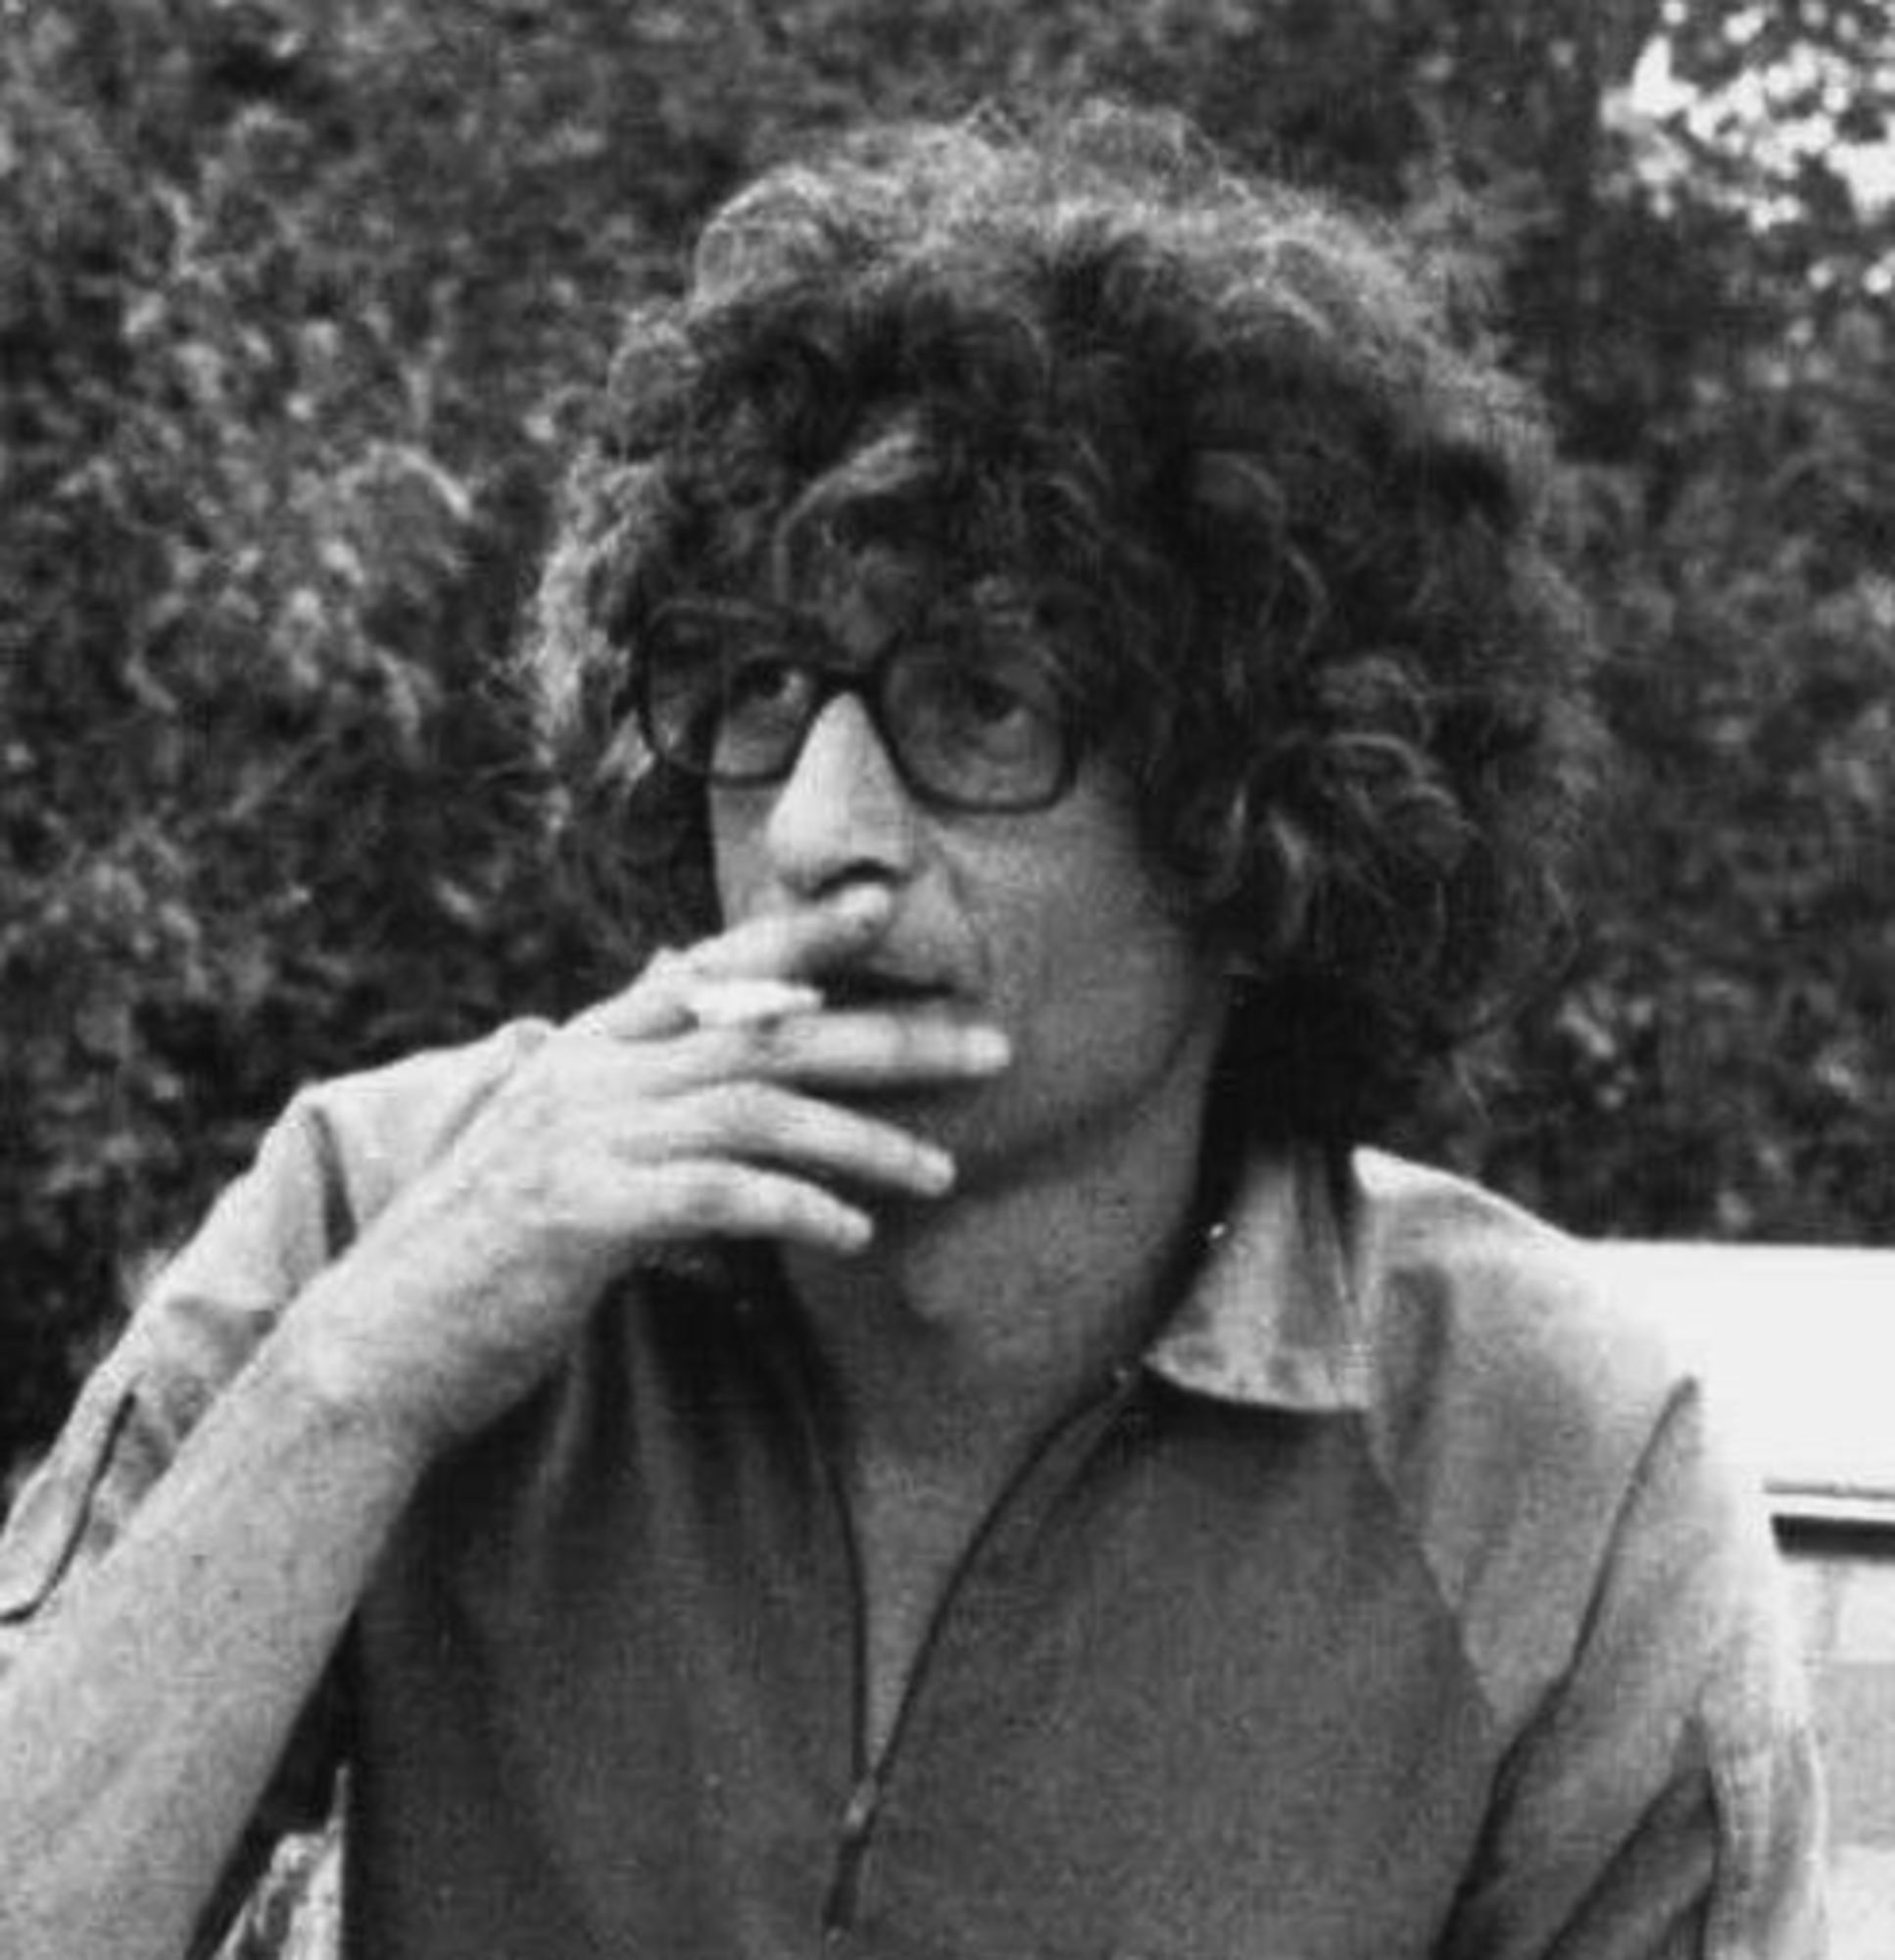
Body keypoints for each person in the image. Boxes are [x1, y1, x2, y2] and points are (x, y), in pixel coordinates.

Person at [0, 102, 1824, 1959]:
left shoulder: (1555, 1477)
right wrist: (351, 1386)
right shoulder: (389, 1214)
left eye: (981, 702)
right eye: (757, 685)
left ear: (1256, 814)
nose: (814, 829)